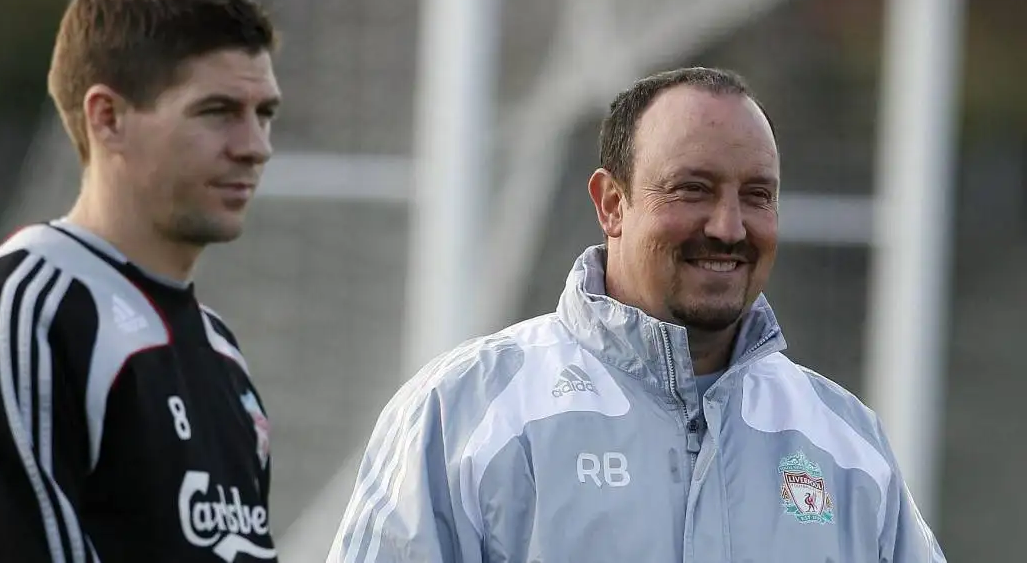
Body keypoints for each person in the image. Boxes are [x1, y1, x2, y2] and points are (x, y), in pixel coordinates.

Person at [328, 67, 945, 562]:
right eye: (692, 190)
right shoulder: (464, 410)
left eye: (756, 196)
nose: (728, 227)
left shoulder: (847, 444)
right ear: (612, 203)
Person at [0, 0, 283, 563]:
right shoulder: (19, 316)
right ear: (108, 117)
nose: (255, 147)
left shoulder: (222, 355)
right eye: (218, 112)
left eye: (264, 114)